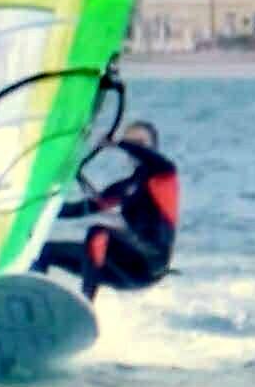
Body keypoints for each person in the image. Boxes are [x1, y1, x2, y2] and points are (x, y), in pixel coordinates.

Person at [30, 120, 178, 301]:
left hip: (149, 263)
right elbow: (81, 209)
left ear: (153, 147)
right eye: (130, 142)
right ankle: (36, 304)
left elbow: (151, 159)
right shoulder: (124, 188)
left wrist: (119, 143)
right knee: (43, 251)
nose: (132, 148)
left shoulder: (164, 175)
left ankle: (86, 303)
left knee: (99, 230)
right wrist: (35, 205)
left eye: (139, 143)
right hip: (120, 267)